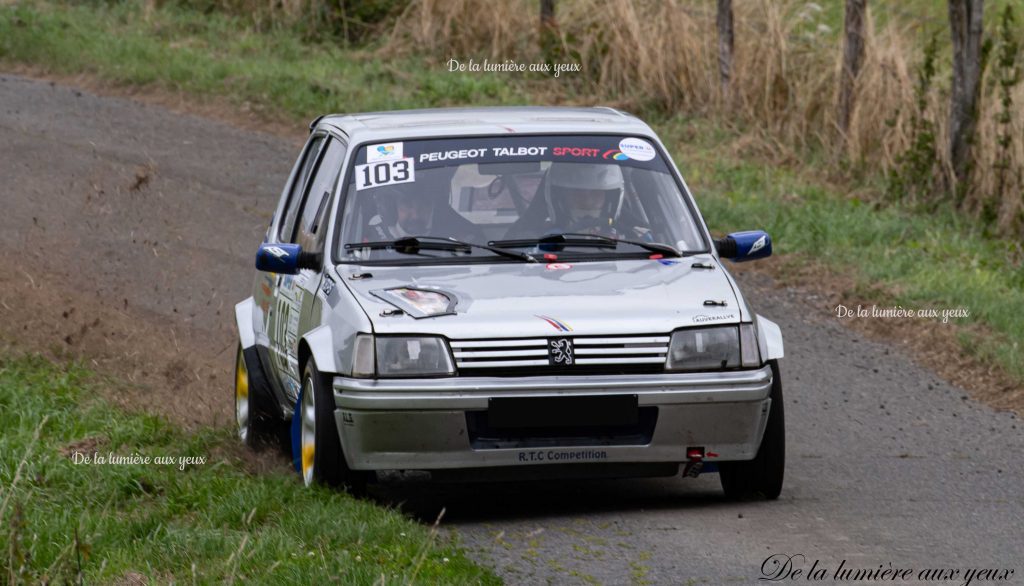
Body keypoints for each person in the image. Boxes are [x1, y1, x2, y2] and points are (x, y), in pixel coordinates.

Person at [503, 162, 652, 240]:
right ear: (559, 198)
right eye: (577, 192)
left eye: (595, 193)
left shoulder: (637, 238)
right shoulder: (531, 239)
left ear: (610, 198)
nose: (586, 201)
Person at [365, 168, 485, 243]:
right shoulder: (370, 234)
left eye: (424, 206)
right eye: (407, 206)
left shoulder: (462, 233)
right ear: (392, 207)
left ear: (434, 207)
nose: (416, 215)